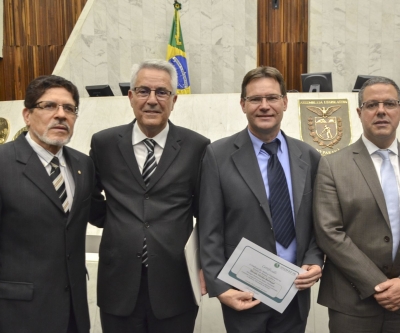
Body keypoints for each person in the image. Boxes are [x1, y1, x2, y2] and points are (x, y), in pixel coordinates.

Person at [199, 66, 323, 333]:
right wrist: (220, 288)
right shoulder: (217, 156)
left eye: (272, 98)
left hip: (294, 292)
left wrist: (315, 258)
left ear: (285, 102)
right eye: (255, 99)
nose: (264, 106)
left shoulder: (309, 157)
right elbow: (209, 229)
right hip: (244, 293)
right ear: (243, 104)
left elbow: (316, 221)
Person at [89, 59, 210, 333]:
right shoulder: (104, 143)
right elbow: (90, 197)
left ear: (174, 99)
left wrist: (208, 264)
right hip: (117, 283)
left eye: (162, 92)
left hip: (176, 283)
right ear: (131, 97)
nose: (152, 100)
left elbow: (207, 212)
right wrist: (118, 223)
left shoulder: (197, 146)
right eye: (143, 91)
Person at [0, 75, 94, 333]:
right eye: (49, 106)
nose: (61, 115)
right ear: (27, 115)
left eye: (69, 108)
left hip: (74, 311)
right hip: (17, 313)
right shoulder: (3, 163)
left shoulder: (83, 165)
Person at [314, 76, 400, 332]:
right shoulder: (332, 164)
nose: (381, 111)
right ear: (360, 112)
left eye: (390, 104)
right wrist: (378, 284)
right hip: (351, 303)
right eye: (372, 105)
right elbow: (329, 233)